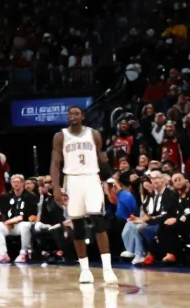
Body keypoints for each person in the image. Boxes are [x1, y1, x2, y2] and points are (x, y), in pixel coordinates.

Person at [51, 106, 118, 284]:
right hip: (72, 180)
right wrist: (56, 187)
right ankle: (85, 270)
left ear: (82, 116)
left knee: (98, 220)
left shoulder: (94, 134)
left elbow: (101, 158)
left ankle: (107, 269)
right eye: (70, 114)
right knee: (78, 226)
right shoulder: (60, 136)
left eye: (76, 113)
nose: (73, 116)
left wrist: (110, 179)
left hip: (91, 178)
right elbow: (55, 163)